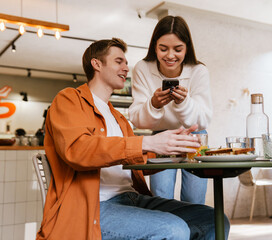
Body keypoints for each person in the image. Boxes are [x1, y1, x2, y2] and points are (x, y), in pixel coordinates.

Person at [36, 38, 229, 240]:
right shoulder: (69, 99)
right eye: (119, 61)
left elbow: (133, 160)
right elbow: (78, 149)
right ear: (96, 64)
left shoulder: (118, 118)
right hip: (93, 207)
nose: (126, 68)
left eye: (126, 63)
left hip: (132, 199)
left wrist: (172, 149)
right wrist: (147, 142)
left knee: (213, 219)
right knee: (172, 229)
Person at [129, 15, 212, 204]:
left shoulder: (199, 71)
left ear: (187, 48)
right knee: (160, 195)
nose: (170, 56)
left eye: (178, 49)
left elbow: (204, 119)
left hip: (194, 135)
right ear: (154, 46)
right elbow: (136, 118)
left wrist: (183, 103)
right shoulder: (142, 68)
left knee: (194, 198)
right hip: (161, 135)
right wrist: (154, 104)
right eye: (163, 48)